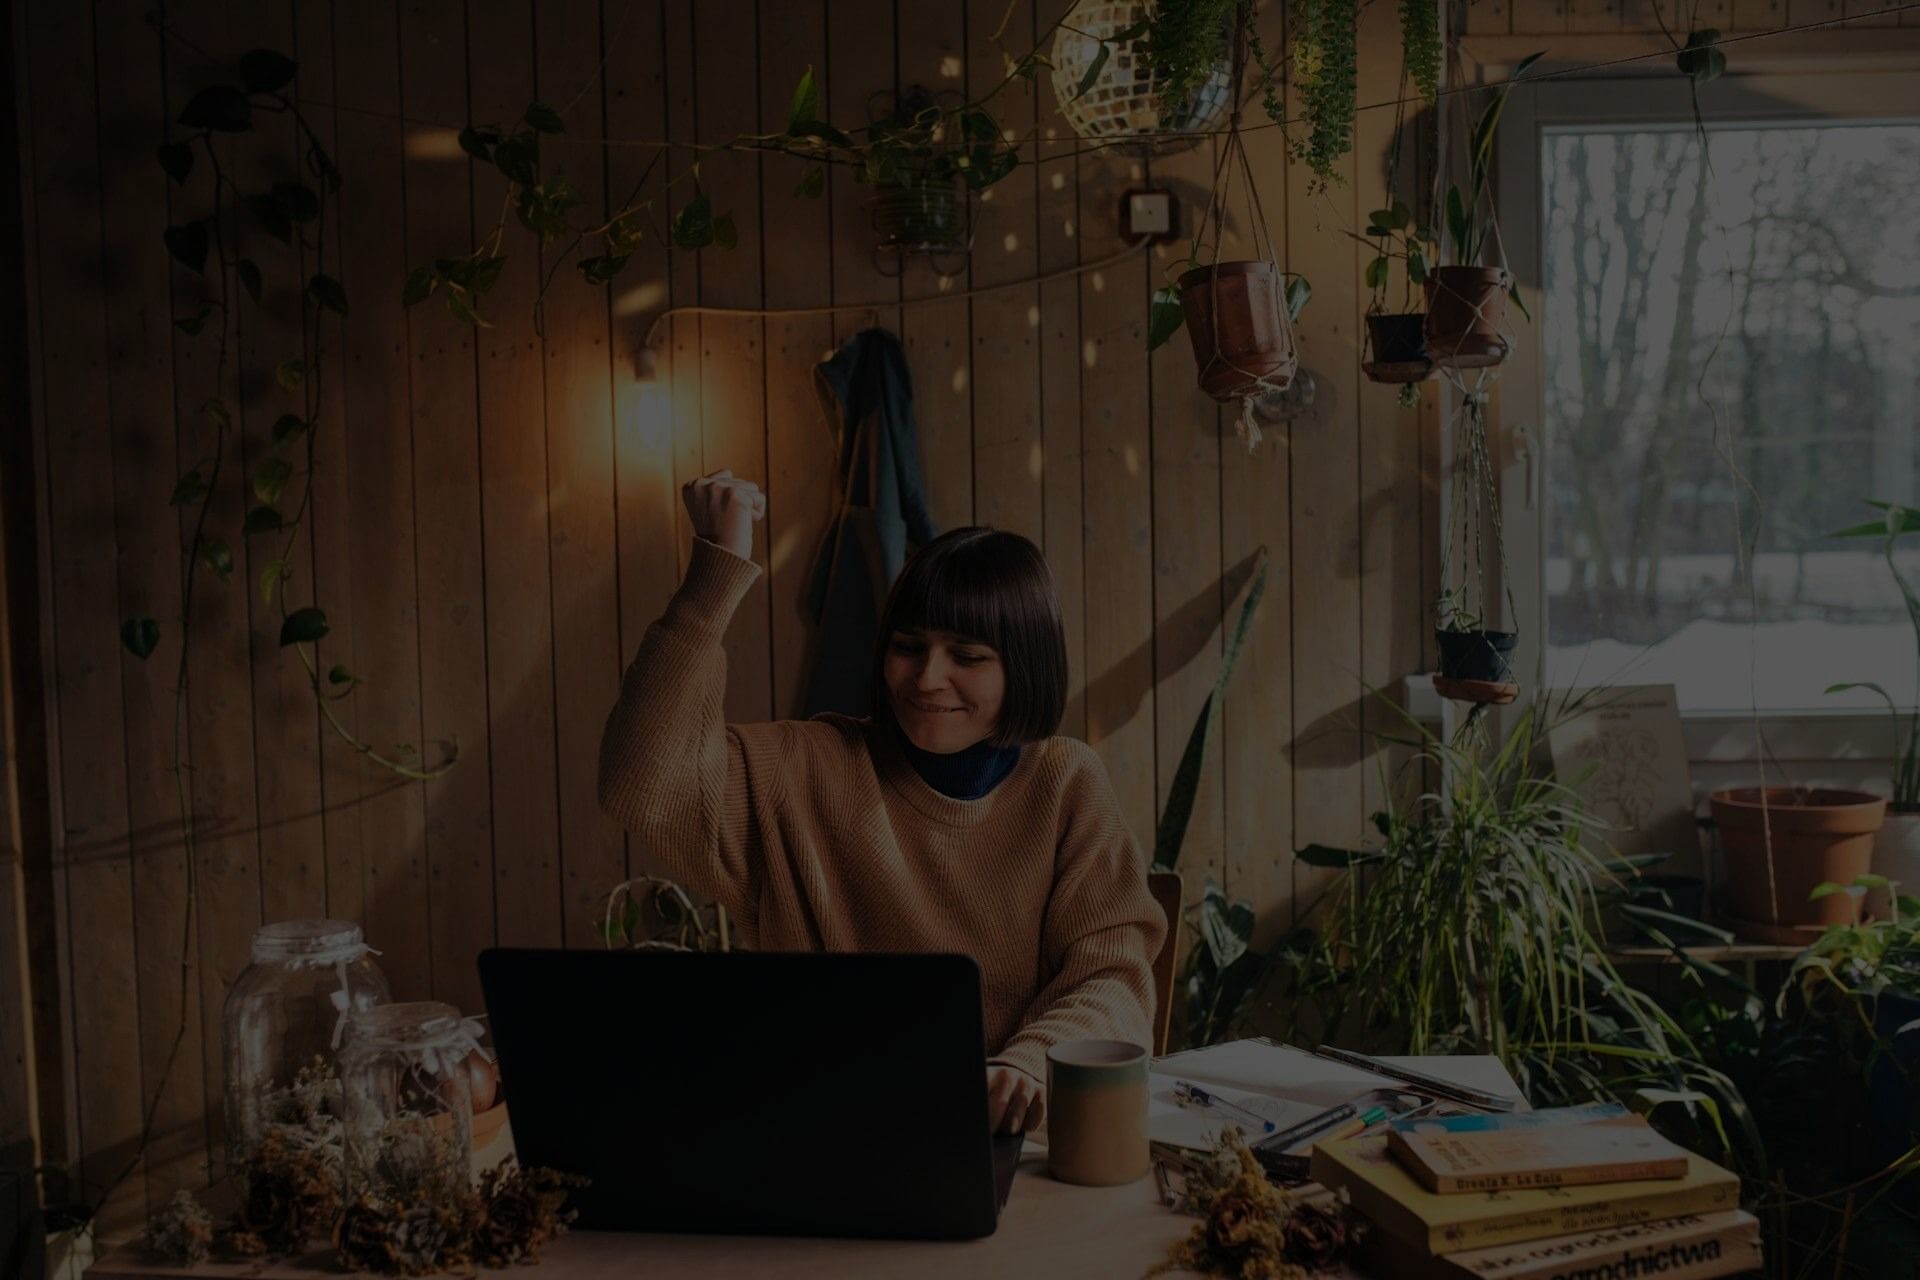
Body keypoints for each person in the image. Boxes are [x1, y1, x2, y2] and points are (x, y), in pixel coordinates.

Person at [598, 469, 1167, 1134]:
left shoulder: (1067, 781)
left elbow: (1114, 974)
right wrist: (715, 572)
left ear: (1025, 667)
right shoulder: (806, 764)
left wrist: (1029, 1064)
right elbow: (640, 783)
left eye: (967, 655)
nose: (928, 678)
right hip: (820, 1127)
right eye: (908, 647)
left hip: (1002, 1134)